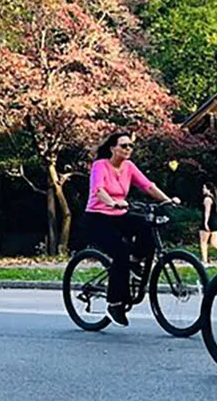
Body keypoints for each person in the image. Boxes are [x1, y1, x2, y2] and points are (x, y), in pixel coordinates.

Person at [84, 131, 179, 327]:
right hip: (97, 218)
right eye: (124, 145)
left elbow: (148, 186)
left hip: (119, 216)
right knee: (120, 252)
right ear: (113, 148)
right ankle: (114, 303)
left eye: (130, 146)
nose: (128, 149)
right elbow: (98, 190)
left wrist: (167, 200)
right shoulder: (100, 165)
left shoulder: (129, 167)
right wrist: (111, 202)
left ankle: (135, 262)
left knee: (147, 227)